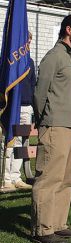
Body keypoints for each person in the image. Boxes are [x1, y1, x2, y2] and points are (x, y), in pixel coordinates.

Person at [32, 14, 71, 243]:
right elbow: (39, 93)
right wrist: (45, 120)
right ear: (68, 30)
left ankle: (57, 225)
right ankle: (42, 230)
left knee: (65, 179)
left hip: (70, 126)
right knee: (49, 179)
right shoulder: (54, 56)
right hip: (54, 125)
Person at [1, 32, 35, 191]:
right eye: (25, 39)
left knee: (21, 143)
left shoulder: (30, 62)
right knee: (6, 142)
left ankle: (16, 176)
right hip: (11, 107)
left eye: (29, 40)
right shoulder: (8, 61)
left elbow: (33, 85)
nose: (27, 42)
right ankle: (5, 178)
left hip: (26, 107)